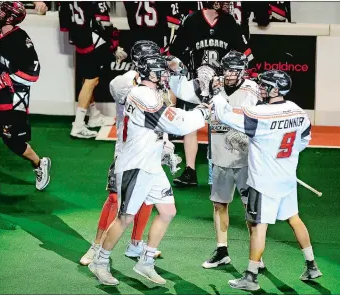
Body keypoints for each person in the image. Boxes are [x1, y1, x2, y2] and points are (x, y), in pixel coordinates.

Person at [88, 54, 211, 286]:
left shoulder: (149, 92)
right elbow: (176, 123)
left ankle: (145, 262)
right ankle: (100, 261)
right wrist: (202, 112)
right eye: (161, 71)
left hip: (151, 163)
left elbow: (163, 125)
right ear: (151, 73)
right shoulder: (142, 94)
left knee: (167, 211)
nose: (165, 74)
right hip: (136, 164)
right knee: (125, 218)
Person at [211, 70, 322, 291]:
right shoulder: (299, 112)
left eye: (264, 85)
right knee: (294, 219)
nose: (260, 88)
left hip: (263, 183)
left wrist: (216, 94)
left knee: (258, 226)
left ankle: (251, 276)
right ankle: (312, 265)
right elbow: (303, 140)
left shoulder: (259, 113)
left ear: (275, 90)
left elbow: (225, 116)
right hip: (287, 178)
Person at [79, 41, 180, 265]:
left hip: (151, 148)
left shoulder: (160, 80)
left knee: (147, 198)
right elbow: (117, 88)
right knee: (115, 198)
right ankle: (97, 246)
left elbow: (165, 114)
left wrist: (166, 145)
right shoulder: (126, 80)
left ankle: (136, 244)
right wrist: (143, 76)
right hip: (127, 150)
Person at [0, 1, 51, 196]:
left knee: (13, 142)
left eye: (1, 11)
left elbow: (33, 73)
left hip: (13, 99)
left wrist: (5, 79)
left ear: (10, 18)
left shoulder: (21, 39)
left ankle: (40, 163)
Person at [170, 1, 251, 187]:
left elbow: (243, 52)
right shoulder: (191, 21)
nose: (226, 3)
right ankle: (190, 171)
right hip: (196, 82)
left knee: (223, 126)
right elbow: (175, 52)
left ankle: (226, 170)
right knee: (190, 125)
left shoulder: (229, 21)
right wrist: (180, 71)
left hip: (222, 83)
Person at [201, 51, 265, 269]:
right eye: (226, 69)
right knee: (219, 204)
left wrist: (247, 135)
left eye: (234, 70)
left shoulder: (252, 90)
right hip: (219, 156)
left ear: (242, 71)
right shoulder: (213, 85)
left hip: (245, 159)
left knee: (251, 208)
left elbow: (260, 119)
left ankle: (257, 255)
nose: (229, 74)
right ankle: (221, 250)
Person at [59, 1, 127, 139]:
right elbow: (104, 22)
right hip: (92, 39)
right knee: (91, 80)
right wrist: (114, 44)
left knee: (87, 78)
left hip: (79, 37)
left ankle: (93, 115)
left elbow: (64, 20)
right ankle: (78, 125)